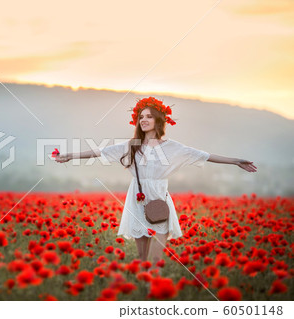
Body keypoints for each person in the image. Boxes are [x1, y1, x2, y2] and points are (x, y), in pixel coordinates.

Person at [55, 96, 257, 269]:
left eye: (149, 116)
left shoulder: (173, 147)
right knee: (142, 260)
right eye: (141, 117)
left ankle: (155, 294)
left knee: (156, 260)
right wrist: (70, 156)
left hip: (160, 200)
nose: (144, 120)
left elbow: (205, 155)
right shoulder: (131, 146)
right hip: (137, 199)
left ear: (158, 120)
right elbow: (99, 152)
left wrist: (236, 161)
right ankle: (143, 295)